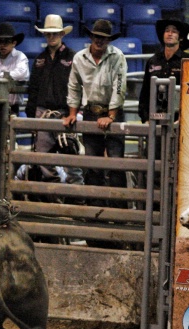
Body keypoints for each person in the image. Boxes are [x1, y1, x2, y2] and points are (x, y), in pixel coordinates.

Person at [63, 19, 128, 199]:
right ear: (91, 37)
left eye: (104, 38)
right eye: (97, 37)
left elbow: (119, 86)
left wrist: (112, 116)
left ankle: (119, 211)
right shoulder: (79, 58)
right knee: (93, 165)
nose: (99, 41)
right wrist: (72, 114)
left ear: (109, 40)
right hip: (91, 112)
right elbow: (74, 86)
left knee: (116, 164)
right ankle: (95, 209)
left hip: (111, 112)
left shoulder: (118, 56)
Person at [25, 14, 83, 187]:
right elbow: (33, 90)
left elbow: (79, 86)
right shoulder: (39, 60)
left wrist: (75, 112)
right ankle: (53, 193)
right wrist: (32, 117)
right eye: (48, 34)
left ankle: (76, 196)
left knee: (70, 155)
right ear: (45, 35)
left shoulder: (73, 58)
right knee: (43, 159)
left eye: (55, 33)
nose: (51, 37)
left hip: (65, 114)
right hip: (43, 113)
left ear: (62, 35)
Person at [138, 19, 189, 124]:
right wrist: (145, 118)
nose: (170, 34)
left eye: (174, 31)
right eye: (167, 30)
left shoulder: (188, 61)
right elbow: (145, 92)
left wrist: (184, 119)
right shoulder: (153, 61)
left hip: (179, 120)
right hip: (154, 119)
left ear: (180, 37)